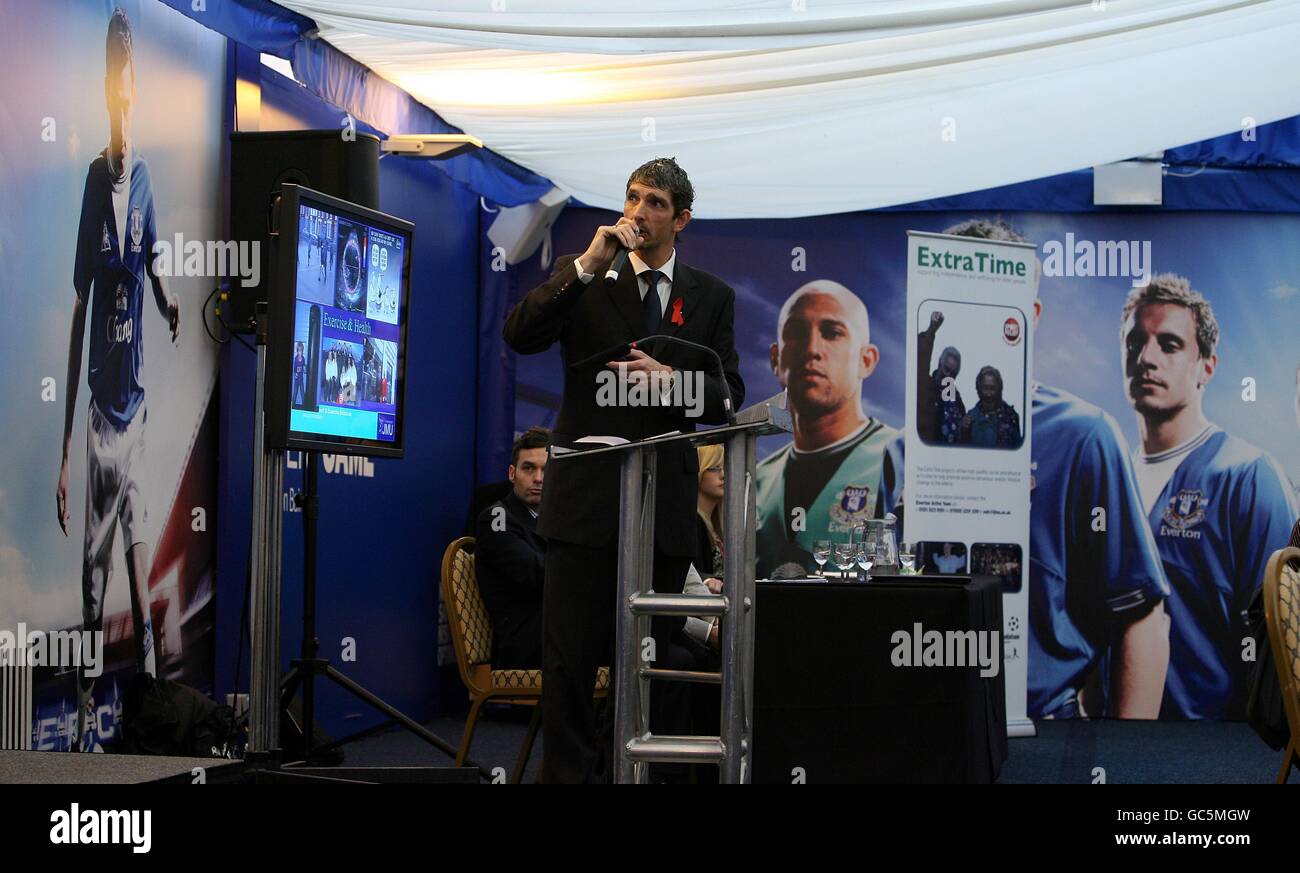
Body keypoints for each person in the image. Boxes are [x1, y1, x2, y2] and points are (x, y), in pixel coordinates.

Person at [503, 157, 744, 783]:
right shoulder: (583, 275)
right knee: (571, 665)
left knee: (652, 656)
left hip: (663, 505)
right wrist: (585, 265)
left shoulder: (711, 295)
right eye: (633, 198)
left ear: (681, 218)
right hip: (586, 502)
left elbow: (728, 397)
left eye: (656, 203)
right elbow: (519, 334)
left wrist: (674, 382)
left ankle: (635, 775)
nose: (638, 212)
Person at [878, 218, 1169, 720]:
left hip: (1045, 731)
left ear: (1029, 314)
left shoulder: (1084, 436)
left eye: (994, 306)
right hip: (926, 720)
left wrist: (1127, 758)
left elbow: (1140, 611)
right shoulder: (903, 453)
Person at [57, 7, 181, 751]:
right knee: (94, 574)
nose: (122, 95)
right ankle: (78, 723)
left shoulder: (144, 182)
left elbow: (152, 259)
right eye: (113, 82)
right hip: (103, 413)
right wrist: (65, 450)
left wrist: (166, 299)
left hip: (140, 408)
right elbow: (81, 306)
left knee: (138, 564)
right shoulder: (90, 182)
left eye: (129, 81)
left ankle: (155, 715)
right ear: (107, 93)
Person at [1120, 274, 1298, 719]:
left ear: (1207, 367)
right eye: (1135, 342)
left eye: (1170, 345)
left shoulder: (1247, 477)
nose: (1146, 358)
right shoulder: (1107, 474)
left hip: (1209, 745)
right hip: (1111, 739)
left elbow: (1277, 635)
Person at [755, 281, 900, 578]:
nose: (812, 349)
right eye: (796, 333)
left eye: (832, 333)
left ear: (866, 360)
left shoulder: (900, 458)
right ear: (775, 358)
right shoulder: (758, 478)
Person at [474, 427, 550, 669]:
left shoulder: (557, 519)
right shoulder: (495, 517)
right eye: (529, 468)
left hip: (558, 633)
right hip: (525, 645)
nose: (538, 478)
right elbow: (537, 574)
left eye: (546, 470)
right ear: (512, 473)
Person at [917, 311, 966, 444]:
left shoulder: (957, 402)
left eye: (953, 373)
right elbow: (920, 359)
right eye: (946, 369)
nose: (948, 374)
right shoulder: (925, 384)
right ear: (939, 363)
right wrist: (931, 330)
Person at [961, 365, 1021, 448]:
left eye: (992, 388)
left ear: (999, 389)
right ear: (978, 389)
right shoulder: (970, 419)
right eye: (985, 388)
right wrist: (963, 431)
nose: (989, 394)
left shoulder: (1011, 416)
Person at [696, 444, 725, 578]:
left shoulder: (720, 526)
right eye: (715, 468)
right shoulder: (693, 525)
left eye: (725, 467)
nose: (723, 475)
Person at [292, 341, 307, 406]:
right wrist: (296, 372)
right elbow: (294, 369)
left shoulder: (303, 358)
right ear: (297, 351)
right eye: (298, 351)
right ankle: (292, 406)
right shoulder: (295, 358)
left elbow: (304, 367)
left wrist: (305, 369)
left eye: (301, 351)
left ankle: (304, 406)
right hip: (296, 379)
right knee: (295, 393)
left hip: (301, 379)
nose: (300, 352)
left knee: (302, 393)